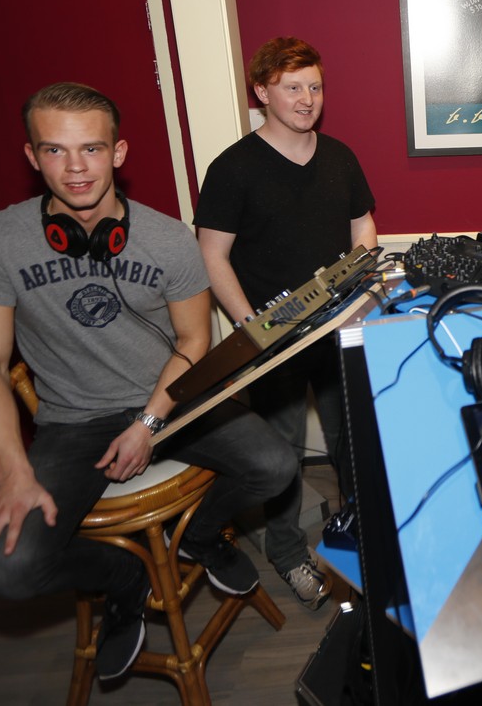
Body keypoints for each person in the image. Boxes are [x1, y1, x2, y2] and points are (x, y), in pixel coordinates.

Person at [0, 82, 296, 681]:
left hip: (170, 400)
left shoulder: (168, 238)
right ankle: (124, 577)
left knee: (275, 465)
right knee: (8, 570)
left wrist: (147, 423)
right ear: (32, 157)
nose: (76, 167)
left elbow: (194, 343)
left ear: (118, 152)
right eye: (55, 150)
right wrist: (11, 473)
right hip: (72, 422)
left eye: (91, 148)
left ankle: (202, 536)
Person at [195, 36, 377, 610]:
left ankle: (359, 534)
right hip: (274, 341)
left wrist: (360, 287)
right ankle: (289, 553)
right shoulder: (233, 168)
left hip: (338, 324)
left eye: (314, 87)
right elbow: (212, 255)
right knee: (282, 454)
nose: (307, 99)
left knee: (354, 440)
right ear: (262, 92)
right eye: (292, 87)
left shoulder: (340, 156)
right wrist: (252, 328)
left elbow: (363, 225)